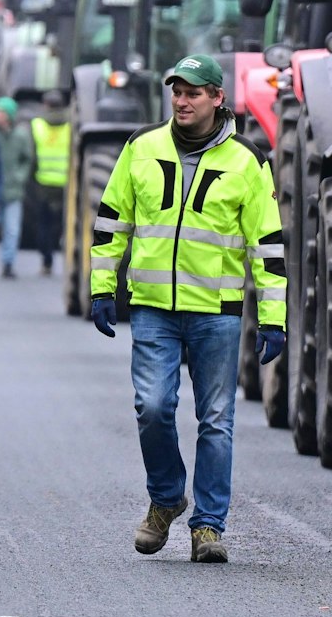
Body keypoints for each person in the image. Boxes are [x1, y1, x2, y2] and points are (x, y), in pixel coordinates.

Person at [89, 54, 286, 564]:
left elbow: (266, 246)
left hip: (216, 311)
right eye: (177, 90)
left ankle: (208, 526)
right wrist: (101, 288)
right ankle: (166, 498)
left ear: (218, 98)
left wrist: (273, 317)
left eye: (194, 92)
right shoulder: (141, 148)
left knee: (215, 419)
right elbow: (112, 224)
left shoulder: (247, 161)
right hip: (153, 307)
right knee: (152, 408)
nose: (182, 100)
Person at [27, 91, 71, 276]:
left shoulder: (37, 125)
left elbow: (32, 156)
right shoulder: (70, 125)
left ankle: (47, 261)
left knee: (43, 224)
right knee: (63, 224)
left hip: (43, 184)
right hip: (65, 185)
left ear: (45, 104)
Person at [0, 97, 33, 278]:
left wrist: (20, 177)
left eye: (1, 112)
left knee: (12, 230)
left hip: (13, 190)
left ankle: (8, 263)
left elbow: (27, 159)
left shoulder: (21, 135)